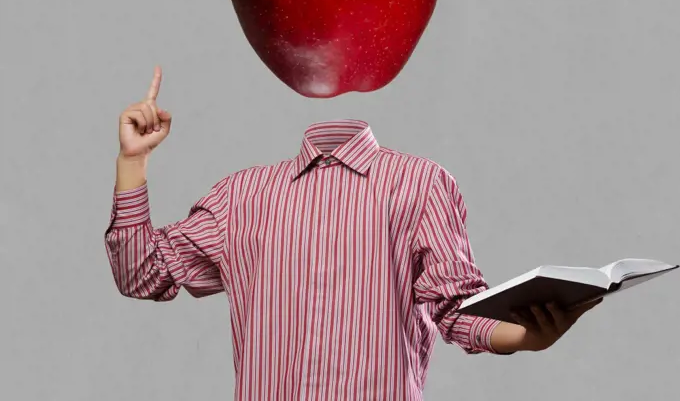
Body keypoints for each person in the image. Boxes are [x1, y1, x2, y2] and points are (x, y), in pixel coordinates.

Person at [106, 66, 599, 400]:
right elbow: (141, 275)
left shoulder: (420, 183)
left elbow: (453, 309)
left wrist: (523, 335)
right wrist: (133, 161)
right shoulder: (242, 197)